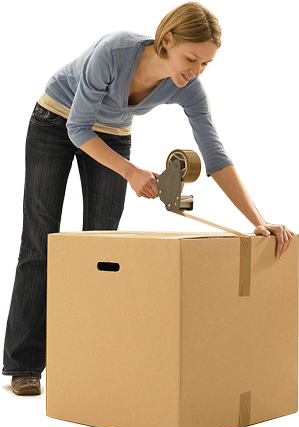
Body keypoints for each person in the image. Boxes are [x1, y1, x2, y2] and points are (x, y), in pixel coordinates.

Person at [2, 1, 294, 396]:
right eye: (191, 58)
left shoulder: (190, 88)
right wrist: (132, 172)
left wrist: (256, 221)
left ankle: (87, 357)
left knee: (102, 249)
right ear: (167, 39)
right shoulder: (114, 51)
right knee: (40, 243)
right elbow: (78, 128)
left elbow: (216, 157)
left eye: (205, 64)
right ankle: (25, 365)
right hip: (57, 120)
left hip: (113, 132)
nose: (194, 71)